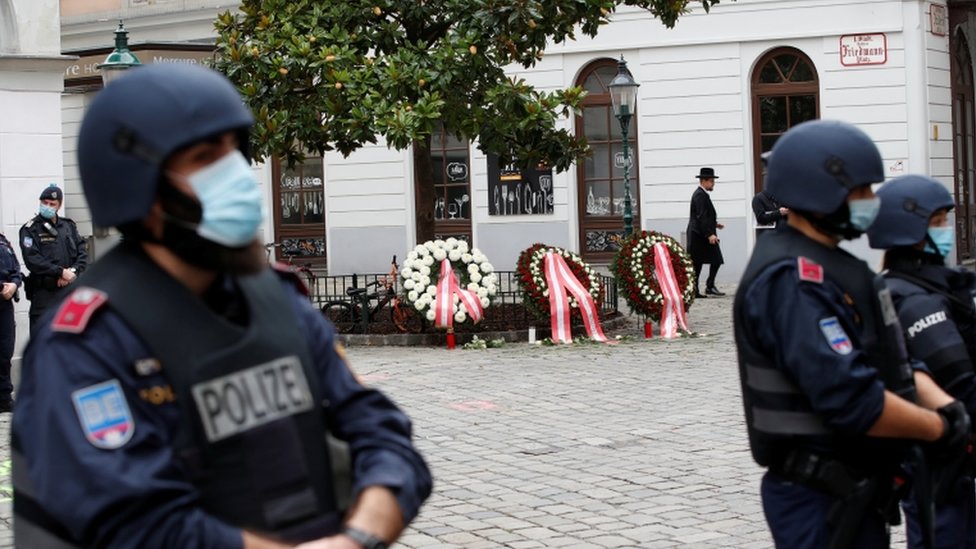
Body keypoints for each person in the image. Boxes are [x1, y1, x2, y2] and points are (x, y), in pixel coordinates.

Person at [12, 63, 432, 548]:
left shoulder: (278, 302)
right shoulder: (89, 342)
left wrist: (359, 536)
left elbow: (382, 434)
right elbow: (134, 524)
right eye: (206, 157)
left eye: (235, 151)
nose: (235, 175)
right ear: (141, 188)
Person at [733, 120, 970, 549]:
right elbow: (853, 399)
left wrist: (949, 408)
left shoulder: (833, 266)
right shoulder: (791, 279)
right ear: (819, 192)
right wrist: (938, 428)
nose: (871, 203)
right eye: (861, 191)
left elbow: (893, 363)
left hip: (851, 488)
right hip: (817, 494)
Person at [867, 174, 976, 549]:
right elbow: (959, 380)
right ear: (909, 229)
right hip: (943, 457)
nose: (946, 230)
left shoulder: (923, 285)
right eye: (939, 222)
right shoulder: (914, 298)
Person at [19, 184, 87, 330]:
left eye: (52, 204)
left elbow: (82, 253)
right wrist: (60, 272)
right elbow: (32, 260)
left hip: (69, 293)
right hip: (44, 295)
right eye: (45, 203)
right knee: (43, 343)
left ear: (59, 205)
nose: (47, 206)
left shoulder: (68, 226)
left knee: (70, 341)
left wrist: (72, 272)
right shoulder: (30, 229)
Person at [687, 167, 725, 297]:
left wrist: (715, 224)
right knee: (703, 262)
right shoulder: (699, 195)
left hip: (701, 233)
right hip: (699, 234)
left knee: (706, 261)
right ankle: (702, 288)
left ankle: (702, 288)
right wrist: (710, 234)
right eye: (712, 181)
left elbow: (705, 216)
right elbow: (701, 216)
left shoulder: (701, 194)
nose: (713, 183)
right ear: (704, 181)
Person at [0, 231, 21, 412]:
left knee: (5, 351)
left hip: (4, 304)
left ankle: (4, 397)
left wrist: (14, 284)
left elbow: (16, 269)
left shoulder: (3, 240)